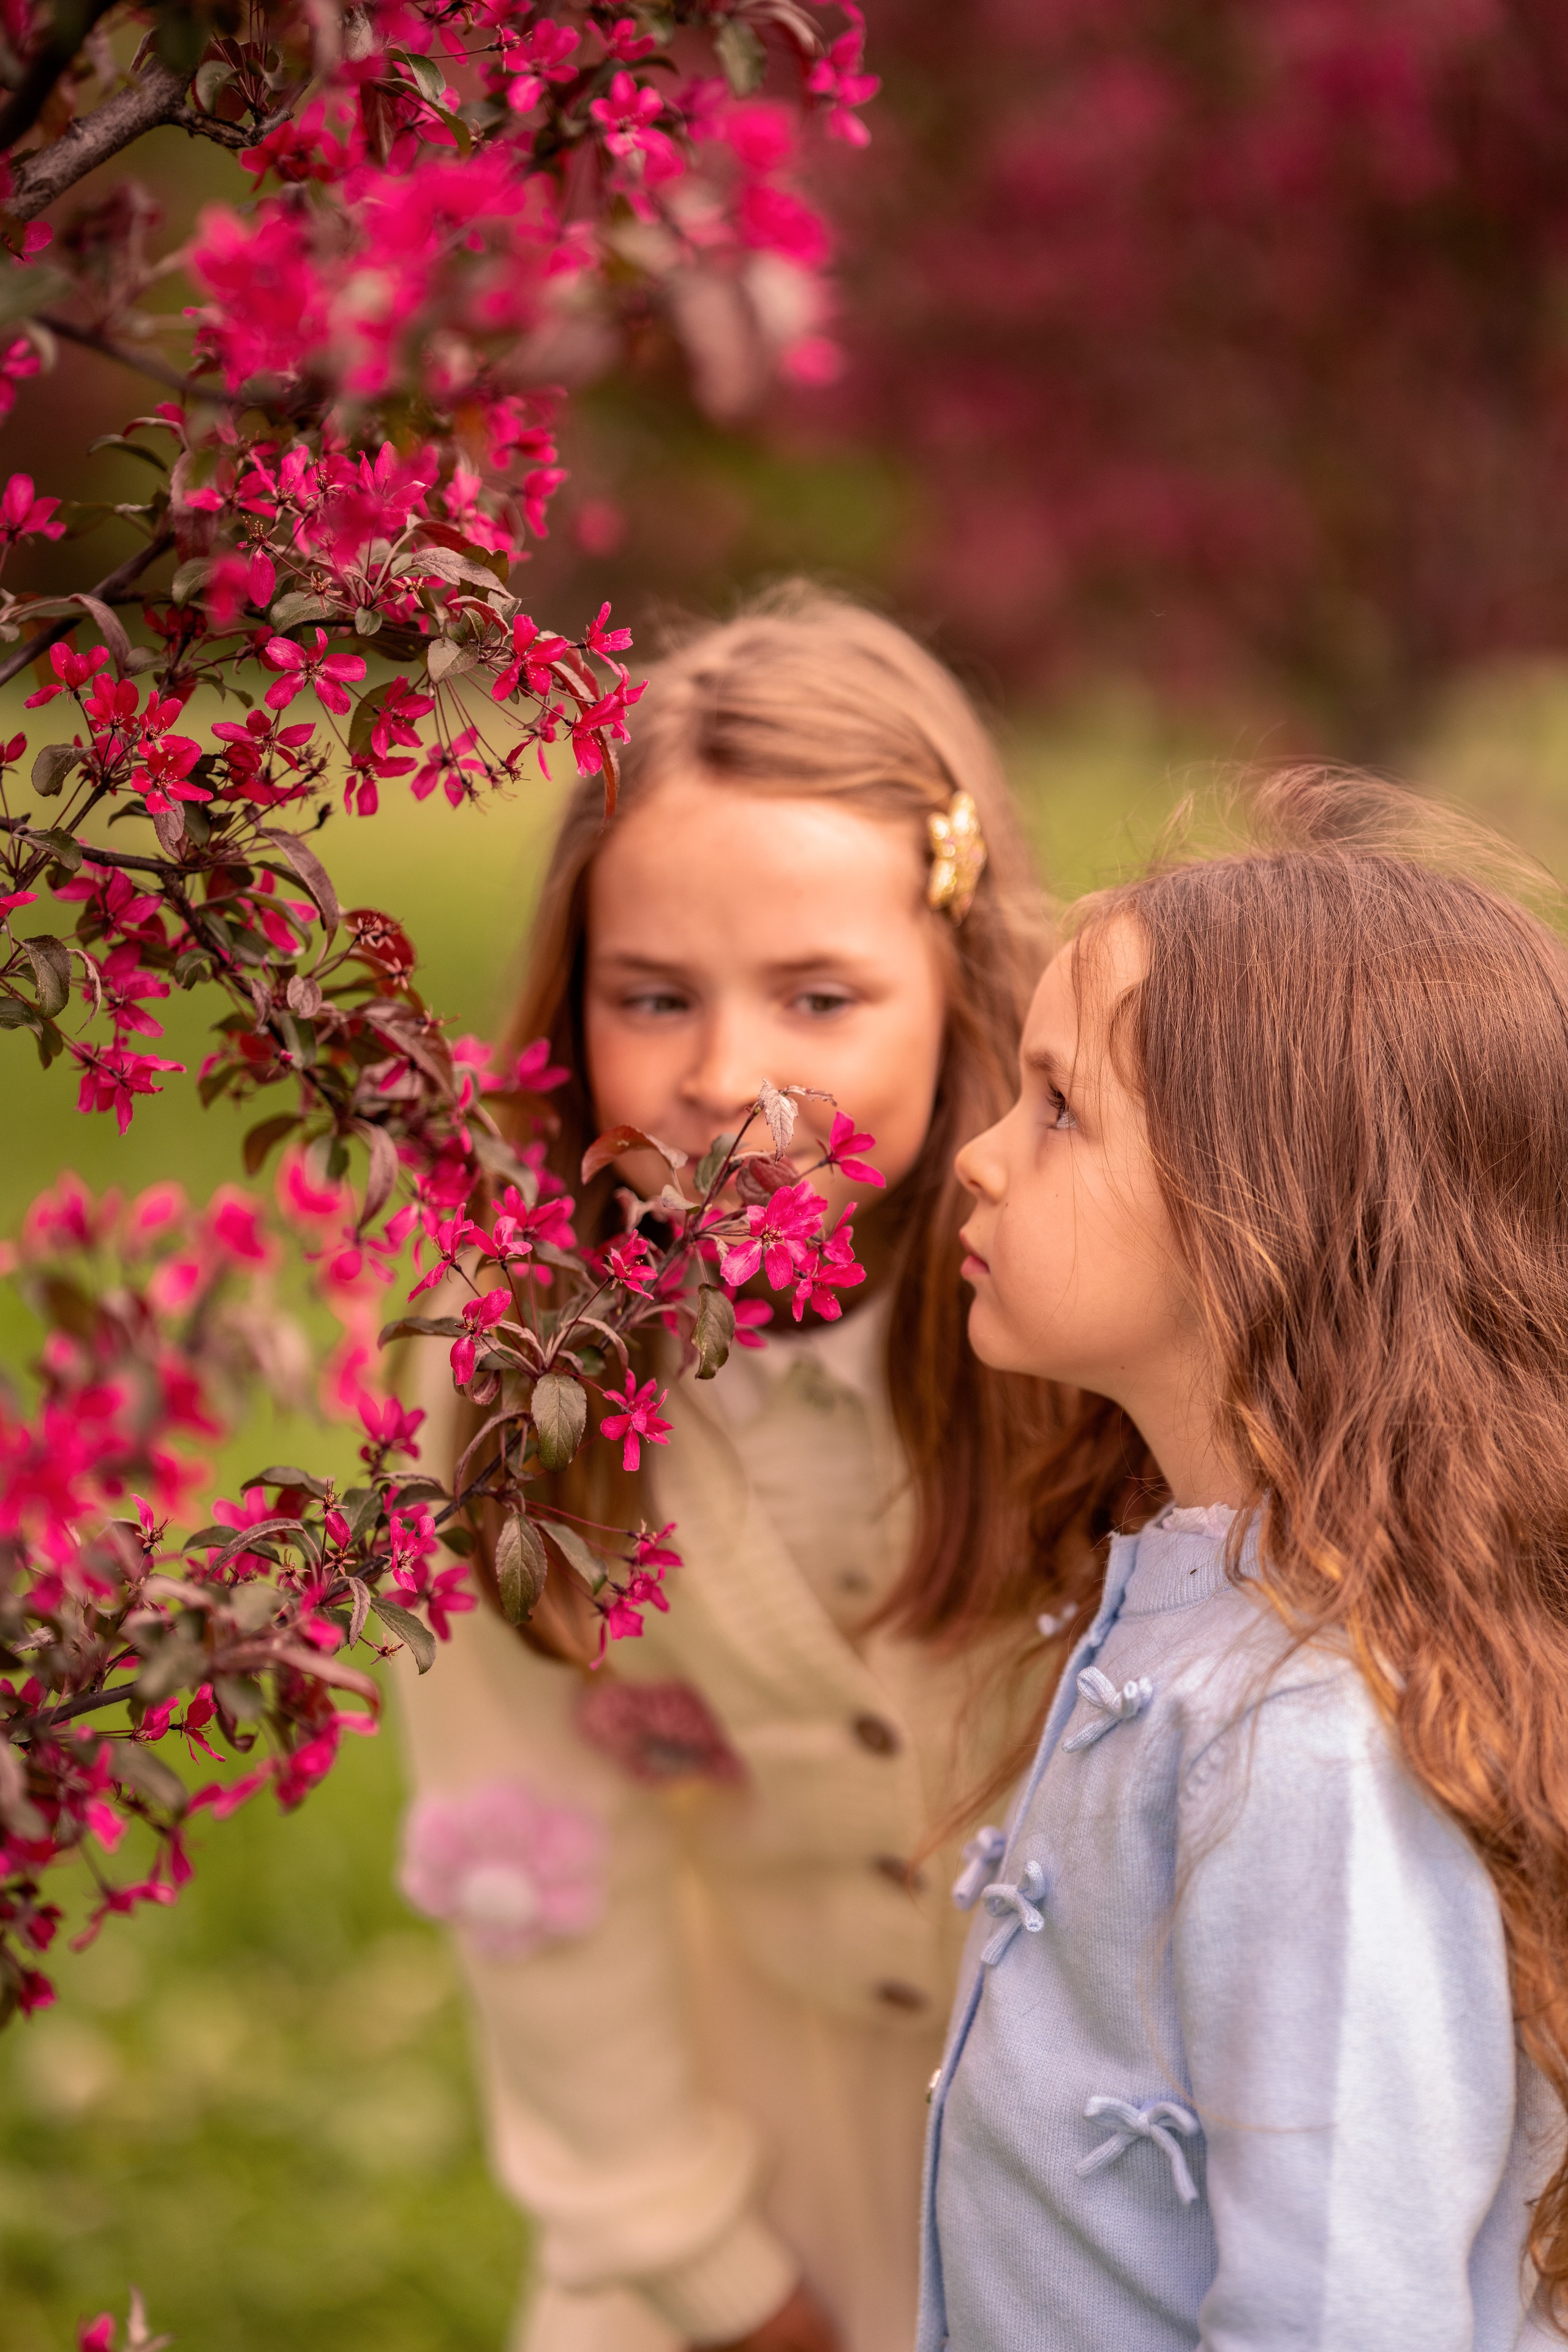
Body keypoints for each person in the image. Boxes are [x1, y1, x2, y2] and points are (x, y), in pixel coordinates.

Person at [394, 586, 1114, 2352]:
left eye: (819, 995)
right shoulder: (515, 1374)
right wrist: (702, 2258)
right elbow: (538, 1835)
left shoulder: (1103, 1322)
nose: (731, 1080)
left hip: (1107, 2136)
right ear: (575, 1014)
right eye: (655, 997)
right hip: (747, 2138)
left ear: (960, 989)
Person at [921, 769, 1568, 2351]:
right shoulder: (1193, 1615)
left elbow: (1342, 2313)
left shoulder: (1310, 1746)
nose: (980, 1160)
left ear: (1263, 1210)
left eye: (1061, 1110)